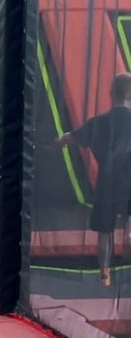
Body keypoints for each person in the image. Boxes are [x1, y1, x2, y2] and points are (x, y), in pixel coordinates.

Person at [54, 71, 131, 286]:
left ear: (110, 94)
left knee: (104, 231)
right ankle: (129, 234)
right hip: (128, 177)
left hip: (107, 180)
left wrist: (57, 142)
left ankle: (105, 274)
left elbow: (69, 137)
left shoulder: (99, 122)